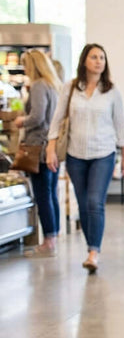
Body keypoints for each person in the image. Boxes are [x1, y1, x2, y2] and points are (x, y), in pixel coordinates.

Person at [47, 44, 124, 274]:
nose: (99, 61)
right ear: (84, 60)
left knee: (95, 202)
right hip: (76, 155)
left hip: (103, 154)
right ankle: (90, 246)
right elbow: (57, 118)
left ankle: (94, 251)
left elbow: (120, 125)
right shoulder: (71, 87)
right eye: (94, 57)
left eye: (102, 57)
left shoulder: (111, 90)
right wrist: (51, 147)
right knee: (83, 204)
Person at [17, 50, 61, 257]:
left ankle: (48, 241)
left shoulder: (38, 86)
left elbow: (37, 116)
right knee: (51, 193)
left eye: (25, 65)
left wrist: (21, 121)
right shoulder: (53, 85)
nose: (24, 69)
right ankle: (54, 235)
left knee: (42, 194)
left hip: (38, 148)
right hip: (52, 146)